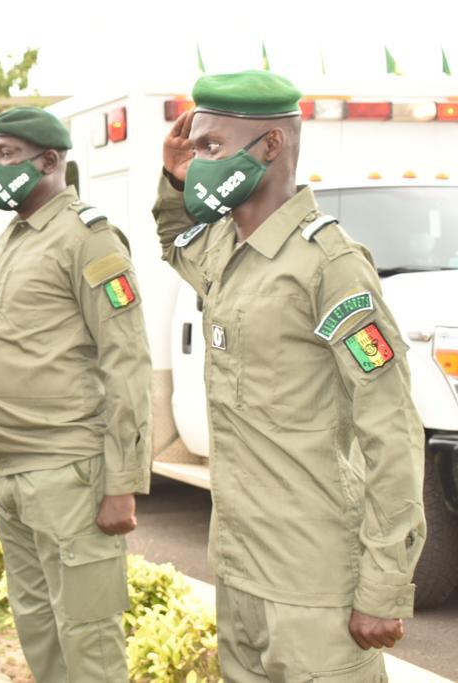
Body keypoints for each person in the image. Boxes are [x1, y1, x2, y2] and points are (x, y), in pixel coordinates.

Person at [153, 71, 425, 680]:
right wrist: (174, 181)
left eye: (212, 146)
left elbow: (391, 428)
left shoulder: (328, 264)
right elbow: (176, 241)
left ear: (271, 145)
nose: (201, 161)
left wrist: (383, 584)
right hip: (240, 572)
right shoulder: (223, 249)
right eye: (197, 148)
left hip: (314, 584)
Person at [0, 106, 152, 682]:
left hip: (69, 469)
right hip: (14, 468)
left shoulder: (89, 238)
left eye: (6, 155)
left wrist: (121, 484)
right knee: (38, 629)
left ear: (49, 161)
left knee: (88, 638)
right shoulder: (16, 235)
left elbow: (127, 359)